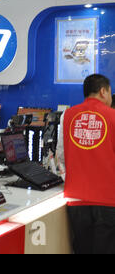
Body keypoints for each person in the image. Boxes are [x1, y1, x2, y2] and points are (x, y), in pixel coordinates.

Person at [56, 74, 115, 254]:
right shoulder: (112, 116)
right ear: (103, 91)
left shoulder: (67, 115)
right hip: (108, 199)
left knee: (82, 249)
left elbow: (61, 155)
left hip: (76, 198)